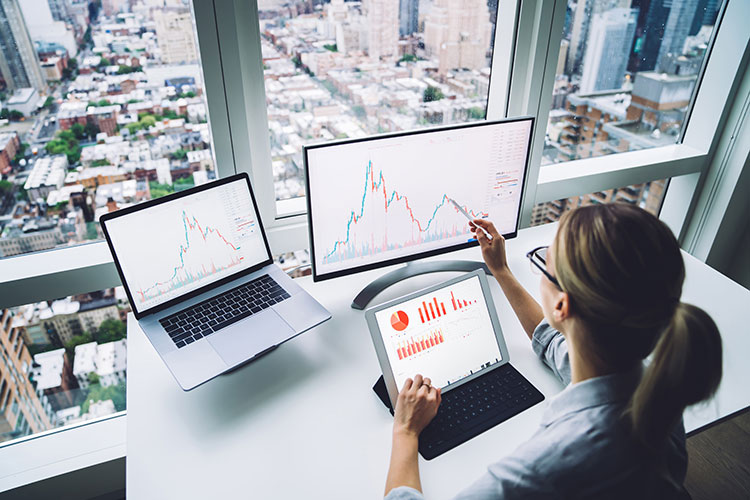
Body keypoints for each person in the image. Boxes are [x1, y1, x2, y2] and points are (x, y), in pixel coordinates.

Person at [384, 203, 723, 499]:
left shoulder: (551, 462)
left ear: (563, 304)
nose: (541, 264)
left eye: (544, 260)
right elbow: (551, 342)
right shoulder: (653, 382)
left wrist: (406, 431)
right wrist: (501, 270)